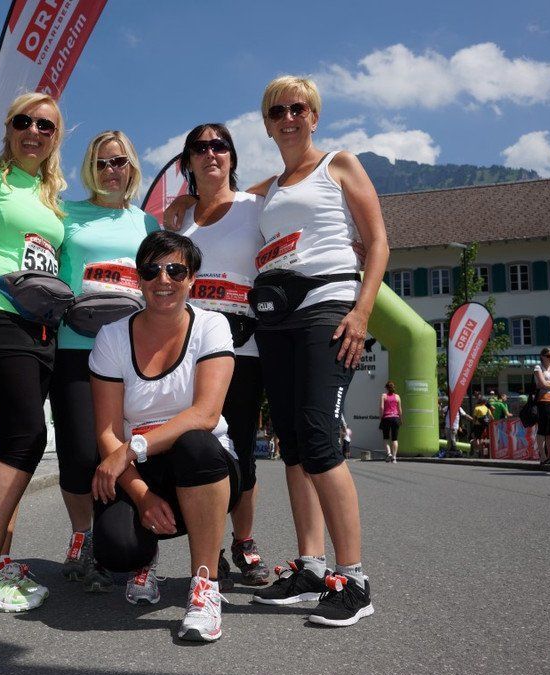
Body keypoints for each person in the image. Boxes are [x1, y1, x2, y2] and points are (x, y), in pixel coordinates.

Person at [237, 75, 388, 627]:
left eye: (297, 108)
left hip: (328, 305)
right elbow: (228, 198)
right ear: (267, 123)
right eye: (276, 111)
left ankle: (354, 580)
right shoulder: (271, 186)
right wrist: (187, 199)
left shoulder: (339, 164)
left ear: (315, 116)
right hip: (276, 317)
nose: (288, 117)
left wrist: (362, 311)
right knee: (294, 445)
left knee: (321, 439)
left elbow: (378, 242)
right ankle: (310, 567)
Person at [89, 231, 239, 642]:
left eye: (175, 270)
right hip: (141, 469)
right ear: (138, 278)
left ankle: (205, 585)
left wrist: (132, 448)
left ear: (192, 278)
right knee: (117, 549)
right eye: (151, 270)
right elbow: (106, 432)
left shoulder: (212, 325)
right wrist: (141, 496)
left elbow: (206, 414)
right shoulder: (112, 337)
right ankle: (144, 560)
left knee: (195, 442)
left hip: (204, 464)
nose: (163, 279)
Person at [0, 92, 66, 612]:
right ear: (9, 127)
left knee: (11, 443)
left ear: (56, 138)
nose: (34, 132)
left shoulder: (50, 194)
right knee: (26, 435)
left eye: (46, 126)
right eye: (24, 121)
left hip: (40, 326)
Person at [51, 130, 157, 593]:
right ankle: (83, 536)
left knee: (123, 450)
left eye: (119, 162)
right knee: (77, 454)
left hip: (131, 355)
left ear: (132, 167)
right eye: (101, 163)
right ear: (88, 170)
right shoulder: (66, 214)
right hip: (75, 346)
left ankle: (130, 543)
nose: (111, 170)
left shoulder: (147, 223)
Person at [176, 122, 270, 586]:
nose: (210, 153)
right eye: (200, 148)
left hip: (244, 349)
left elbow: (296, 184)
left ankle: (244, 541)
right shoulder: (178, 220)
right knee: (200, 448)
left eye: (220, 146)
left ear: (232, 156)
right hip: (188, 352)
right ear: (187, 162)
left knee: (243, 450)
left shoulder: (257, 206)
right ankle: (207, 545)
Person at [379, 381, 402, 462]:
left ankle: (389, 453)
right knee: (395, 439)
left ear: (386, 388)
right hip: (395, 418)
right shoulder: (397, 397)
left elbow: (382, 407)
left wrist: (381, 417)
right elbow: (400, 409)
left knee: (386, 438)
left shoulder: (383, 396)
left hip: (386, 418)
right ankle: (394, 457)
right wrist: (401, 419)